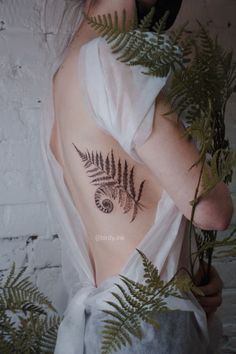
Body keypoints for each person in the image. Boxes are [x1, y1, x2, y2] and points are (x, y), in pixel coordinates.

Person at [40, 0, 232, 353]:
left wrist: (190, 279)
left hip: (107, 322)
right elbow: (211, 211)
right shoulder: (115, 60)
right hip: (149, 324)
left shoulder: (63, 75)